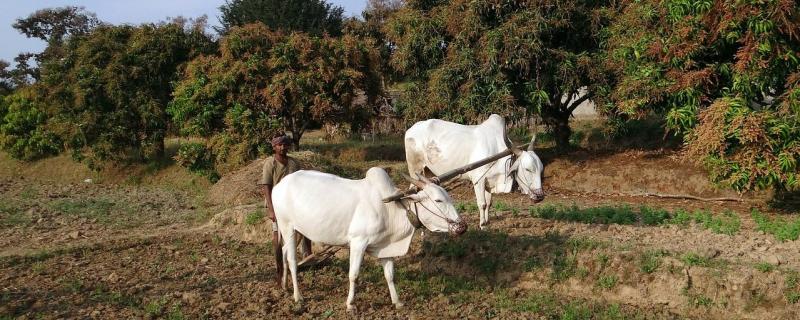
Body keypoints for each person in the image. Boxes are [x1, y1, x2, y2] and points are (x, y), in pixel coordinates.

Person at [258, 133, 311, 285]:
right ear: (274, 147)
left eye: (285, 144)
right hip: (278, 205)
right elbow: (266, 186)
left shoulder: (294, 163)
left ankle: (307, 255)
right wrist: (271, 209)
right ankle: (279, 269)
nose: (283, 147)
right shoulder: (270, 164)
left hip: (294, 205)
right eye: (279, 145)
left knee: (307, 227)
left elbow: (301, 183)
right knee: (278, 239)